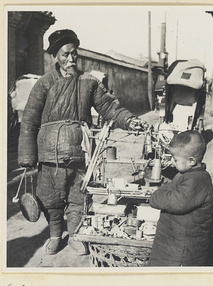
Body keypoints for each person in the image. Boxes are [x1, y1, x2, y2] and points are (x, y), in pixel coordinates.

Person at [18, 29, 146, 255]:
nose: (71, 59)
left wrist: (130, 121)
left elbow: (109, 108)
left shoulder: (89, 81)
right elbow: (29, 120)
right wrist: (27, 155)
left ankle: (76, 235)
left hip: (81, 151)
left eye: (74, 54)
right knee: (50, 199)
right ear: (55, 56)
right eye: (65, 54)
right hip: (50, 154)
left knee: (78, 196)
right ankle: (55, 235)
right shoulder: (44, 84)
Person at [147, 130, 213, 266]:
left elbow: (176, 202)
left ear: (191, 161)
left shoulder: (197, 180)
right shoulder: (185, 174)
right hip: (170, 246)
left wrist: (155, 196)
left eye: (175, 159)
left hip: (182, 254)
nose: (172, 161)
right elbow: (167, 189)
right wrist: (163, 191)